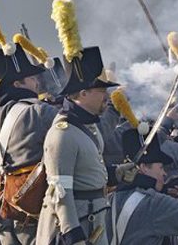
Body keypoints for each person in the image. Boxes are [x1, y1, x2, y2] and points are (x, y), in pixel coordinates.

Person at [36, 46, 133, 245]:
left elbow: (85, 171)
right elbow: (60, 192)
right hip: (74, 228)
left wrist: (116, 173)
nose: (106, 97)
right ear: (83, 93)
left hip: (93, 223)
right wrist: (74, 237)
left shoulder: (89, 126)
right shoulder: (62, 133)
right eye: (101, 91)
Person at [0, 41, 59, 244]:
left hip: (3, 211)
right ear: (17, 84)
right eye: (32, 77)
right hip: (35, 211)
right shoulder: (39, 112)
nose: (37, 82)